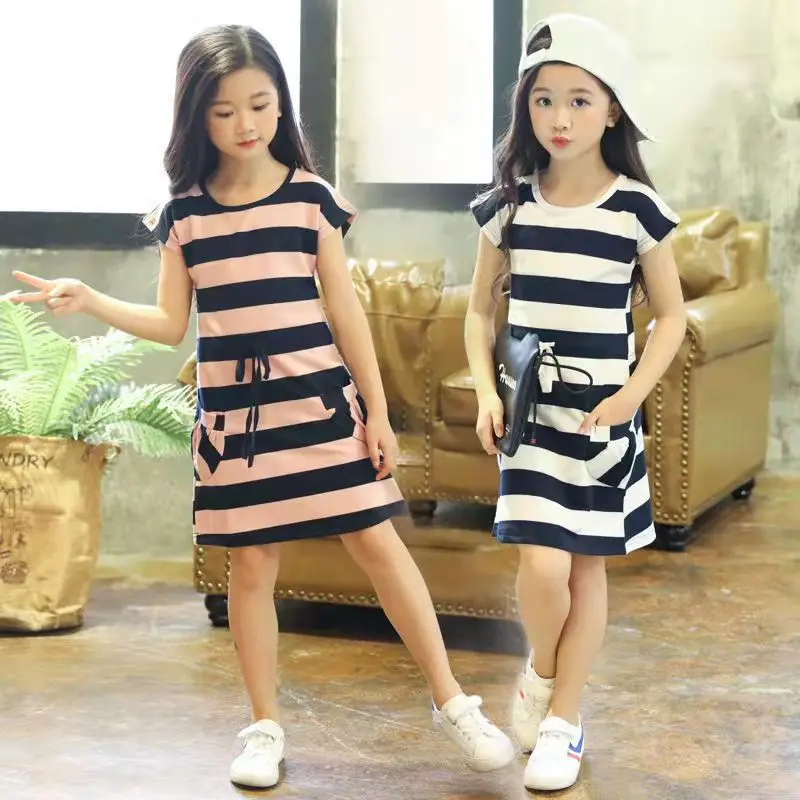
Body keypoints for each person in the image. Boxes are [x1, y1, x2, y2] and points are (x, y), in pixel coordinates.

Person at [10, 24, 516, 790]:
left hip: (319, 408)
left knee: (380, 545)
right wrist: (90, 299)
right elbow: (171, 324)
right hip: (236, 425)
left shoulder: (311, 200)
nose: (246, 124)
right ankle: (263, 726)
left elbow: (346, 314)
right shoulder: (183, 215)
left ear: (281, 104)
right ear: (197, 118)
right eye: (224, 111)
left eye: (260, 104)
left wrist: (377, 413)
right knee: (250, 566)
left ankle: (453, 703)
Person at [464, 13, 686, 793]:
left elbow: (671, 318)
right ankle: (542, 668)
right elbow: (479, 314)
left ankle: (562, 720)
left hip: (601, 422)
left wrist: (630, 397)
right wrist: (485, 392)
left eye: (580, 100)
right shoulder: (508, 206)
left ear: (613, 110)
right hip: (531, 420)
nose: (559, 118)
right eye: (544, 100)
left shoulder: (637, 211)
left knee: (586, 571)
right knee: (542, 564)